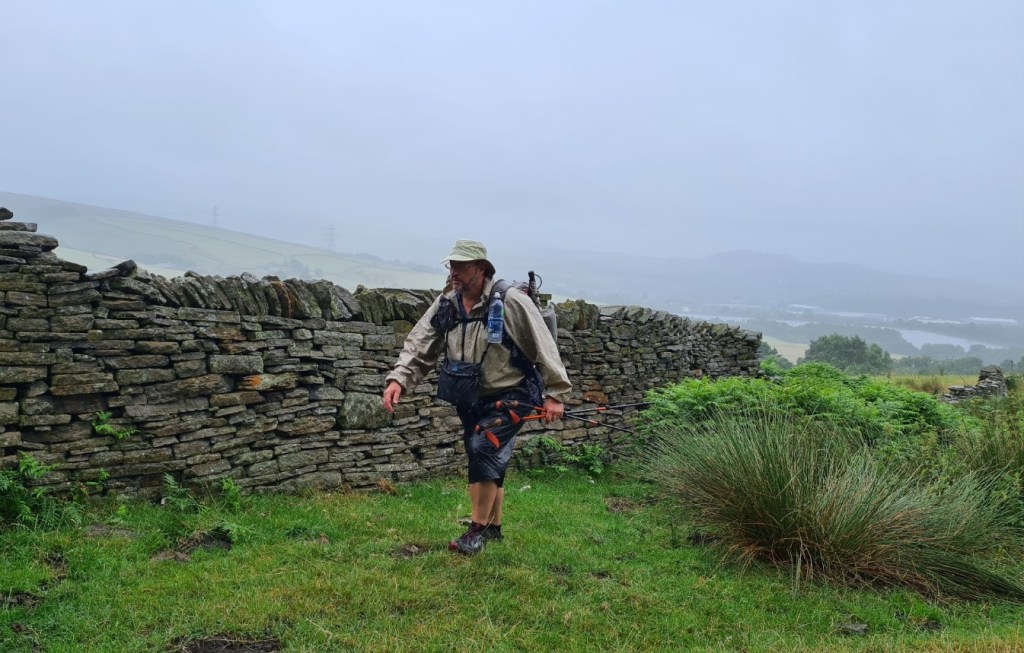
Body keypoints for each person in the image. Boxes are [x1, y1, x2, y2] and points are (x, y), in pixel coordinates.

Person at [382, 239, 572, 555]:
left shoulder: (510, 301)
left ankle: (475, 531)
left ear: (481, 268)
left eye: (461, 266)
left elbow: (544, 346)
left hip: (514, 392)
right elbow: (420, 344)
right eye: (451, 265)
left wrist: (556, 394)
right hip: (469, 394)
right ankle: (493, 528)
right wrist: (398, 379)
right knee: (483, 457)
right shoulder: (447, 302)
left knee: (483, 446)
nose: (453, 272)